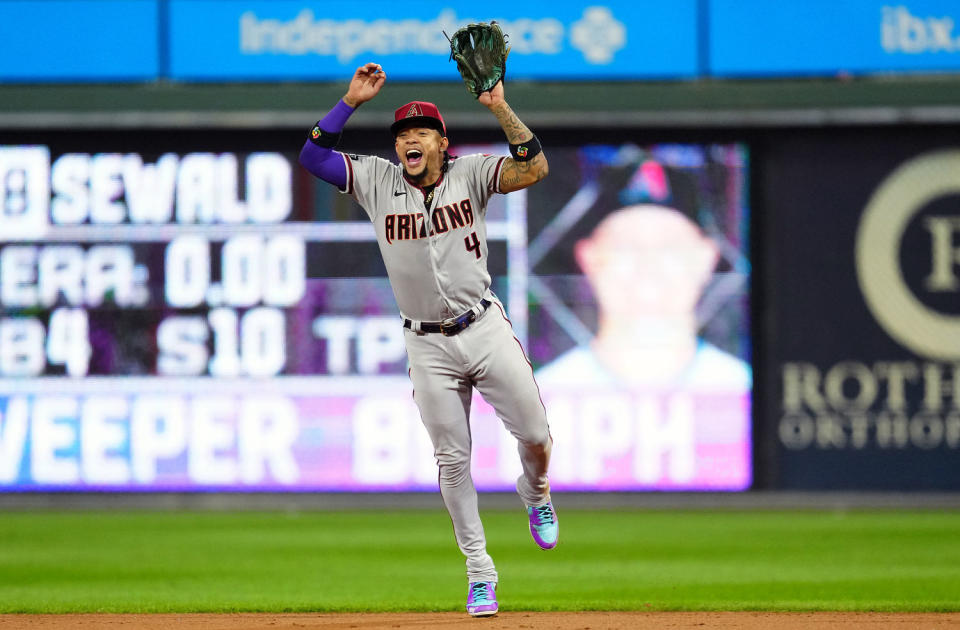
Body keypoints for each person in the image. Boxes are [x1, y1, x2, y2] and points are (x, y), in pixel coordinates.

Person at [298, 62, 557, 618]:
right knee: (452, 461)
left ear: (443, 142)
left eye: (420, 131)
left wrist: (498, 106)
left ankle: (535, 495)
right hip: (427, 345)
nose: (408, 138)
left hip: (483, 327)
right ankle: (480, 572)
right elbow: (313, 157)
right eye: (401, 134)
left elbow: (534, 167)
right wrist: (350, 102)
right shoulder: (376, 179)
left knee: (536, 436)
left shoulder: (472, 174)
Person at [536, 204, 751, 391]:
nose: (648, 266)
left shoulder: (743, 391)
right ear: (588, 257)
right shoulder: (537, 405)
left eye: (670, 247)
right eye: (626, 247)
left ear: (706, 257)